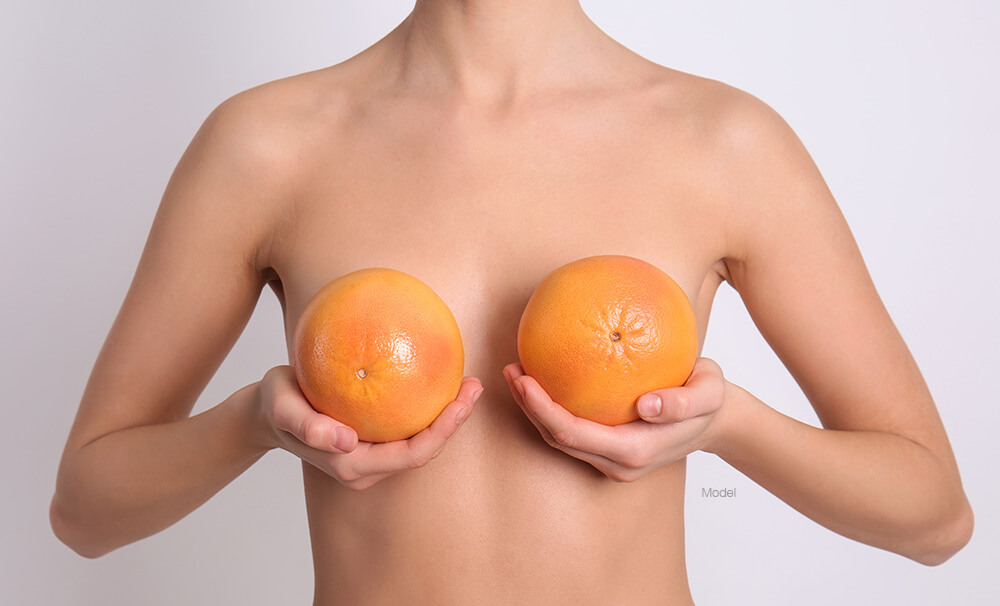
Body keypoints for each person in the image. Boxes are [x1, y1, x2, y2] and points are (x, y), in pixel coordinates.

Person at [50, 1, 973, 603]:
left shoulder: (724, 143)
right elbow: (85, 512)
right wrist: (255, 422)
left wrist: (727, 425)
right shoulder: (266, 145)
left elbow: (935, 519)